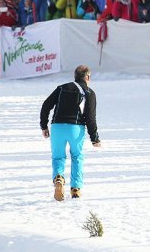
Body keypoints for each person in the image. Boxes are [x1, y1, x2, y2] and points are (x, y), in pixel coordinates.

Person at [39, 65, 100, 201]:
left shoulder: (61, 88)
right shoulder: (89, 93)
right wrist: (95, 138)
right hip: (75, 129)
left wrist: (44, 126)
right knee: (77, 157)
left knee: (58, 157)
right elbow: (90, 117)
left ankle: (59, 178)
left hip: (57, 127)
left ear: (75, 76)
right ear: (87, 77)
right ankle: (76, 189)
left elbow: (46, 105)